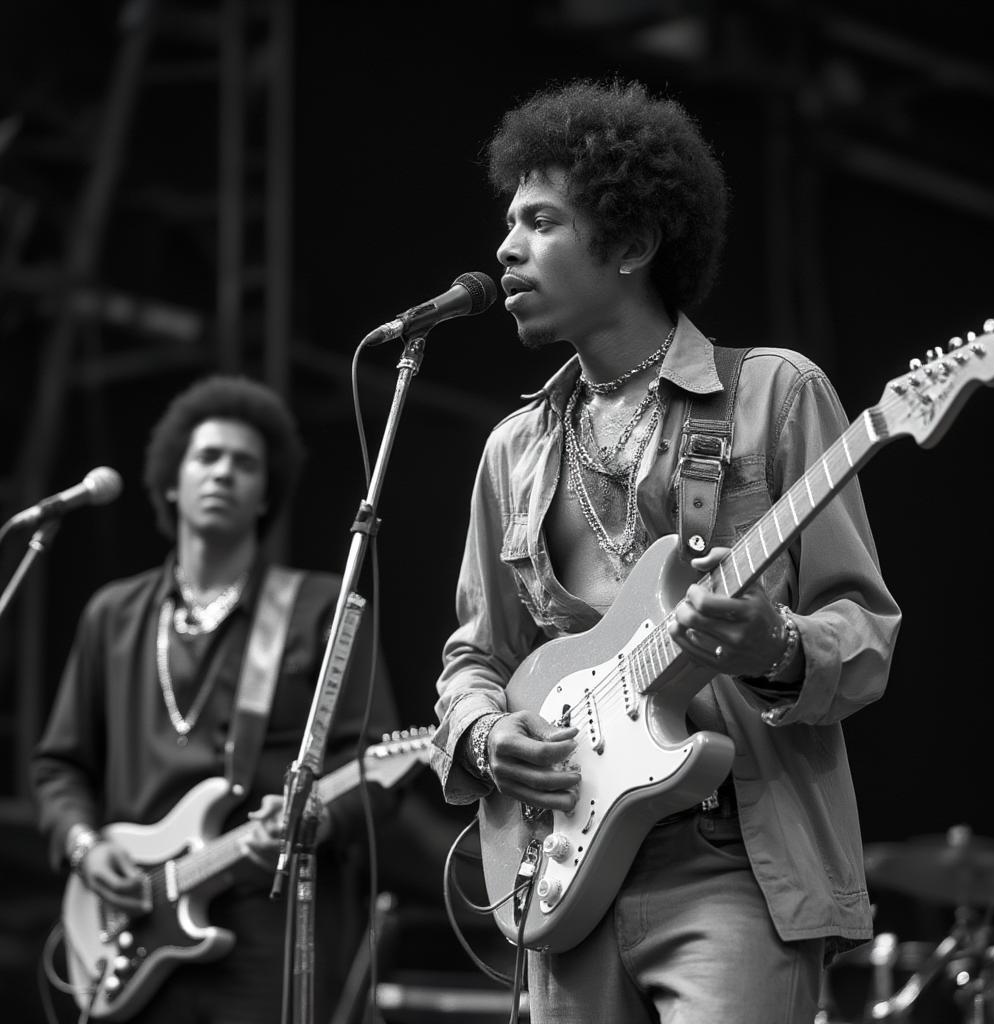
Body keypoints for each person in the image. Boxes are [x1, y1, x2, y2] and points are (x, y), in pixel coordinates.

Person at [428, 77, 902, 1024]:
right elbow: (476, 657)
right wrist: (487, 736)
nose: (505, 247)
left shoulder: (772, 395)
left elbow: (867, 634)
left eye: (542, 221)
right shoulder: (512, 453)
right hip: (564, 873)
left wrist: (774, 648)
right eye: (508, 221)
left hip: (734, 864)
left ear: (635, 245)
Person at [31, 375, 402, 1024]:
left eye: (246, 464)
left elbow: (374, 766)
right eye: (208, 457)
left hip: (267, 927)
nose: (225, 473)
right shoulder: (111, 616)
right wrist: (86, 847)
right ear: (172, 480)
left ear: (267, 494)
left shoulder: (319, 609)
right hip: (126, 930)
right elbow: (59, 766)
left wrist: (310, 821)